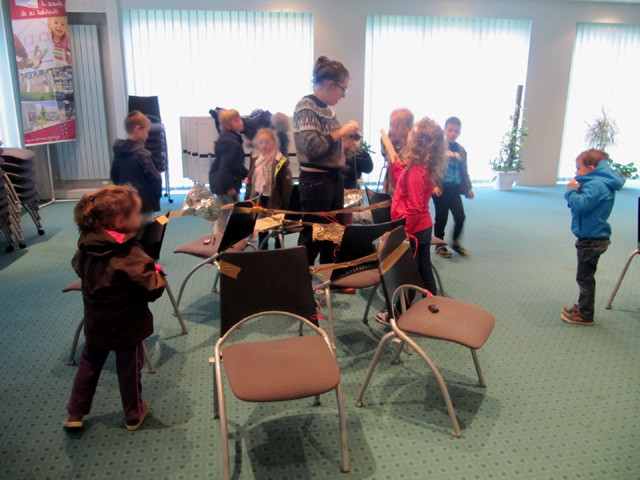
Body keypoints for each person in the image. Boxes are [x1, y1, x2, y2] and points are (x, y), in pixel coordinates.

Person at [63, 185, 165, 431]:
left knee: (88, 366)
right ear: (120, 220)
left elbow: (78, 266)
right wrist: (157, 273)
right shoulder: (128, 253)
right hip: (127, 325)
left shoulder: (87, 244)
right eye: (136, 215)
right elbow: (152, 289)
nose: (140, 220)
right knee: (129, 370)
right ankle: (133, 413)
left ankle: (75, 412)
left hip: (97, 322)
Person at [293, 55, 360, 265]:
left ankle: (326, 282)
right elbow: (311, 148)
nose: (343, 95)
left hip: (332, 180)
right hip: (316, 184)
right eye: (343, 89)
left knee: (332, 234)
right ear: (331, 85)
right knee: (313, 237)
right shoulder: (306, 106)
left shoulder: (327, 109)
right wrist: (341, 132)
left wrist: (348, 140)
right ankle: (299, 287)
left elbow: (329, 146)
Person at [562, 149, 624, 326]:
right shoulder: (598, 182)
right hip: (593, 237)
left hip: (591, 239)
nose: (576, 172)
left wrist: (571, 192)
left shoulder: (596, 185)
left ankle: (585, 314)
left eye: (579, 168)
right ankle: (583, 307)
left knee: (584, 278)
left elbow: (582, 205)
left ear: (591, 167)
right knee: (585, 277)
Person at [389, 117, 446, 295]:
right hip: (422, 226)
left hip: (414, 228)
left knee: (410, 272)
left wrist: (404, 230)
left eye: (411, 135)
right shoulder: (421, 167)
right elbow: (404, 184)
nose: (408, 137)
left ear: (419, 142)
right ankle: (431, 304)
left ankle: (400, 311)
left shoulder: (416, 172)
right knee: (422, 267)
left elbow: (414, 206)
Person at [245, 128, 293, 249]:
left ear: (274, 144)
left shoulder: (279, 160)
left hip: (275, 199)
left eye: (267, 142)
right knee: (261, 225)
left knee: (276, 225)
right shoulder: (256, 159)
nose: (264, 145)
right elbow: (252, 174)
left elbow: (285, 185)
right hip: (260, 197)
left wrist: (286, 204)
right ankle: (263, 248)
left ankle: (278, 247)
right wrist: (248, 180)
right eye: (261, 142)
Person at [433, 117, 474, 258]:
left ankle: (455, 242)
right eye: (450, 130)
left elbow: (464, 170)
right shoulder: (438, 148)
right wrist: (434, 185)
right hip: (441, 189)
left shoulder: (461, 150)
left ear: (459, 132)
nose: (452, 133)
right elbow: (431, 168)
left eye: (456, 131)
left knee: (460, 216)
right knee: (441, 218)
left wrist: (468, 188)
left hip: (454, 189)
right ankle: (440, 245)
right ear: (445, 130)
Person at [111, 111, 162, 223]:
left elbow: (114, 176)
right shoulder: (143, 155)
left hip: (125, 202)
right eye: (146, 131)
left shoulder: (118, 152)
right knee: (145, 232)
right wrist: (156, 199)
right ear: (137, 129)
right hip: (144, 203)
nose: (147, 135)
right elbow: (155, 179)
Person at [209, 109, 248, 241]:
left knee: (224, 212)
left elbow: (235, 163)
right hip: (225, 184)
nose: (241, 122)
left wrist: (245, 174)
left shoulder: (231, 138)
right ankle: (238, 237)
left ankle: (218, 237)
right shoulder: (230, 141)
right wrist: (229, 186)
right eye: (237, 120)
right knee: (238, 211)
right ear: (227, 124)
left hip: (222, 183)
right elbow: (225, 166)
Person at [382, 109, 414, 195]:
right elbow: (386, 157)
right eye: (390, 125)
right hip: (390, 191)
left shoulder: (412, 149)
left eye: (395, 126)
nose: (391, 129)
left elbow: (400, 175)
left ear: (407, 128)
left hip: (403, 196)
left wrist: (390, 149)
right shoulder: (393, 142)